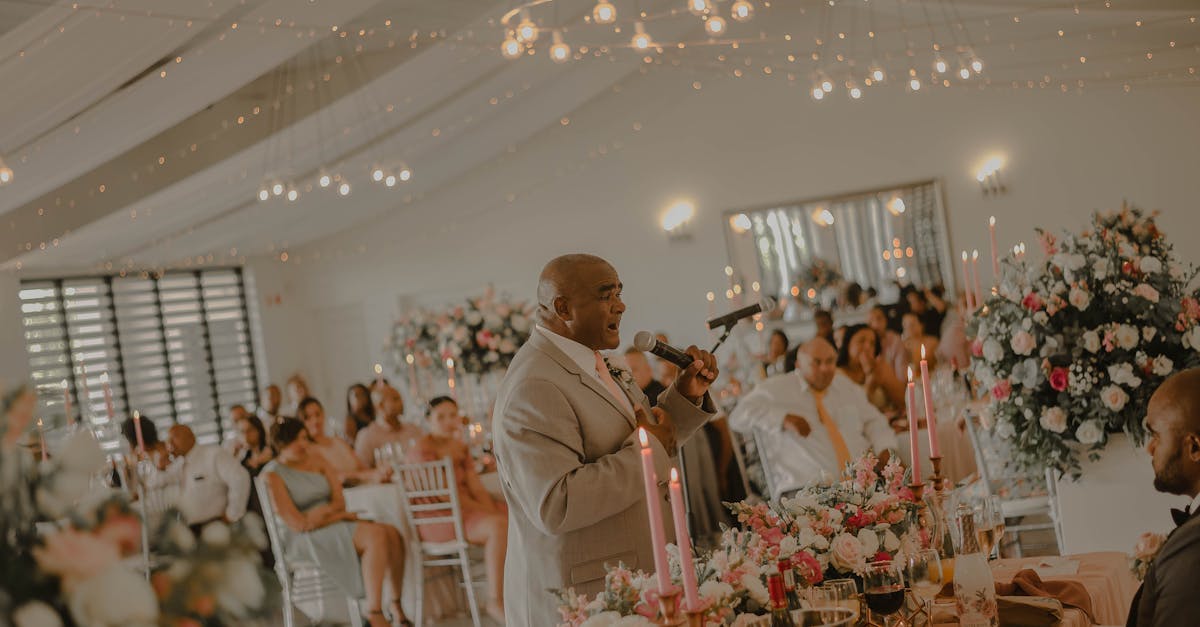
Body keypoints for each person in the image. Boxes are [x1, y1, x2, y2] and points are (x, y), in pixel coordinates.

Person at [492, 254, 718, 624]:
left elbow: (645, 435)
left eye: (619, 293)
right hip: (587, 597)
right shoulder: (534, 385)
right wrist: (651, 448)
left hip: (632, 577)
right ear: (563, 307)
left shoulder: (592, 360)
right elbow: (557, 503)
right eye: (605, 295)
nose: (620, 305)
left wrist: (684, 396)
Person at [263, 419, 411, 627]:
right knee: (376, 535)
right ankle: (374, 612)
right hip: (300, 538)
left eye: (305, 438)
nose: (303, 444)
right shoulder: (272, 475)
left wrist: (325, 514)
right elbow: (298, 524)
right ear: (282, 444)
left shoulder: (318, 460)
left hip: (333, 523)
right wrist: (336, 515)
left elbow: (340, 502)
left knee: (392, 533)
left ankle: (396, 605)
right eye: (297, 440)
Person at [729, 338, 897, 499]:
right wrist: (783, 418)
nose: (825, 368)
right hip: (805, 491)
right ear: (798, 364)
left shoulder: (845, 386)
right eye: (816, 362)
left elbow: (874, 421)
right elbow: (738, 416)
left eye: (830, 361)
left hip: (860, 485)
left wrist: (884, 448)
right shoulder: (777, 388)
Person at [407, 397, 509, 623]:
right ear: (428, 420)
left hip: (465, 512)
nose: (448, 421)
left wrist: (489, 508)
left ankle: (518, 590)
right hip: (438, 517)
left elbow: (475, 487)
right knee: (497, 526)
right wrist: (488, 513)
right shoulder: (422, 450)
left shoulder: (459, 447)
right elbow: (448, 496)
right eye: (441, 417)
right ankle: (495, 600)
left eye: (452, 415)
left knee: (512, 515)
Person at [158, 424, 251, 529]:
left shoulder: (213, 455)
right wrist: (160, 464)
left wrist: (232, 515)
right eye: (168, 441)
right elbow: (156, 482)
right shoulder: (178, 464)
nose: (170, 444)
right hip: (190, 529)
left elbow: (240, 478)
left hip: (217, 527)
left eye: (174, 438)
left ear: (190, 436)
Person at [298, 397, 386, 487]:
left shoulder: (339, 441)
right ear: (302, 422)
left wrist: (380, 472)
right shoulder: (308, 451)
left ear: (323, 414)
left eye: (317, 414)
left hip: (366, 487)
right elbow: (336, 477)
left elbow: (362, 468)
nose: (315, 421)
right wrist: (368, 476)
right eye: (308, 418)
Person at [837, 324, 907, 415]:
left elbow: (903, 401)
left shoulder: (880, 366)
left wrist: (884, 380)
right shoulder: (837, 375)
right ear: (847, 344)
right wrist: (870, 387)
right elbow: (850, 413)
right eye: (861, 341)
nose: (867, 347)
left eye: (872, 343)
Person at [354, 385, 424, 468]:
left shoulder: (414, 429)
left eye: (400, 399)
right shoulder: (367, 436)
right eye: (395, 399)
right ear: (380, 405)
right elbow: (362, 469)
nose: (402, 403)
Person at [868, 305, 909, 381]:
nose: (875, 324)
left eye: (879, 319)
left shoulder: (895, 341)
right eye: (870, 321)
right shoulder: (866, 345)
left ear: (885, 320)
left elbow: (902, 376)